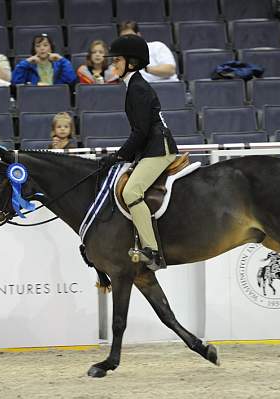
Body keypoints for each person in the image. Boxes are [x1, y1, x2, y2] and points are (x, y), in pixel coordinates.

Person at [101, 34, 179, 271]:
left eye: (118, 60)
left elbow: (141, 131)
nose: (113, 64)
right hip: (150, 147)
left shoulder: (138, 89)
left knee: (132, 191)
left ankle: (152, 251)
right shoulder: (133, 87)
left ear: (131, 63)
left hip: (158, 148)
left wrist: (120, 155)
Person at [11, 33, 77, 86]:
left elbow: (71, 80)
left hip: (56, 95)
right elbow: (15, 82)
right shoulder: (28, 65)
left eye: (45, 45)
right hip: (35, 96)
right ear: (34, 49)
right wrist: (26, 62)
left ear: (51, 48)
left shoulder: (60, 64)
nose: (42, 48)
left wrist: (62, 60)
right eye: (38, 46)